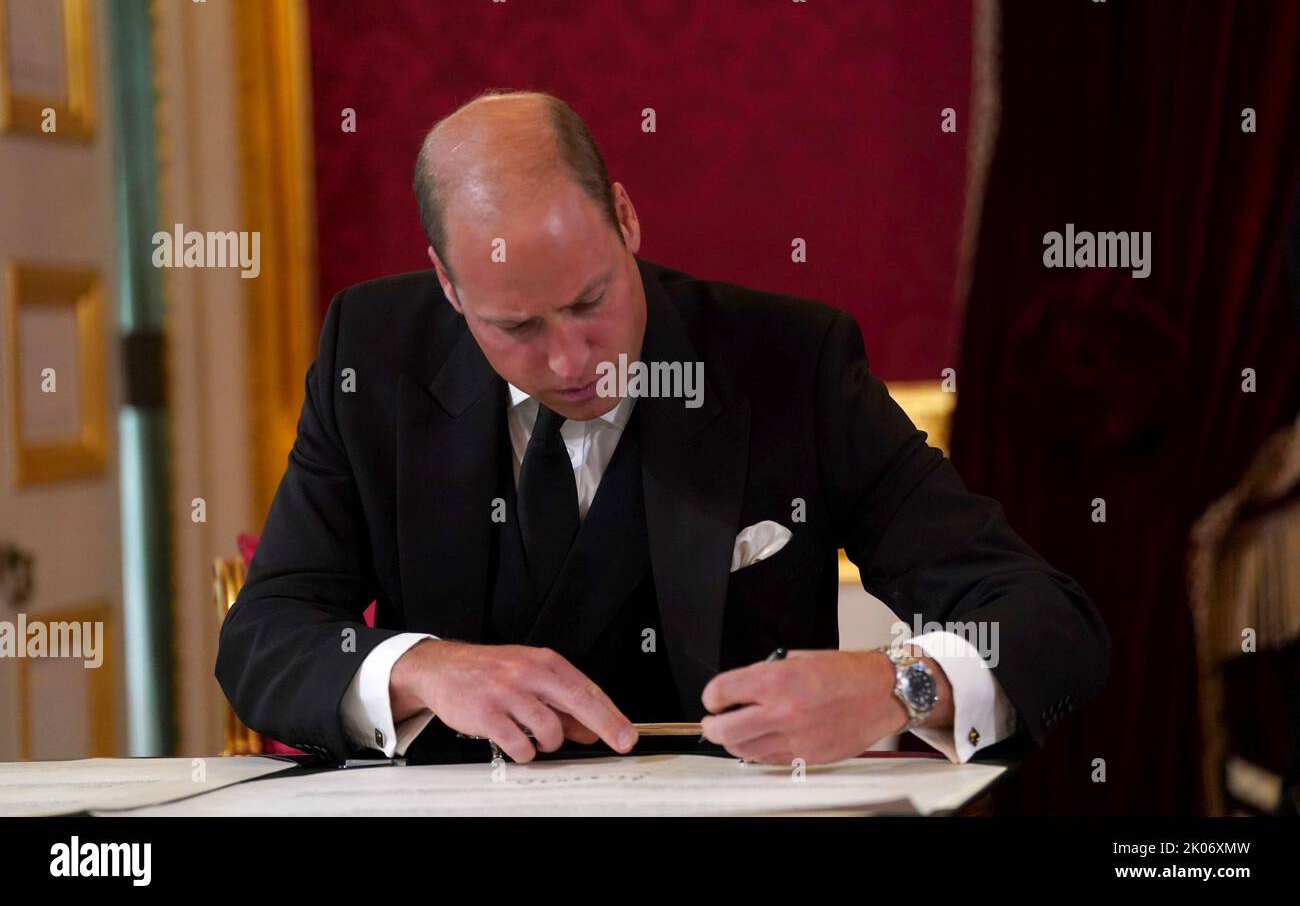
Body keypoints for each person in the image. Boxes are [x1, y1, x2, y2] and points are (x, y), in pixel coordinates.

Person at [216, 89, 1109, 767]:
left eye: (589, 300)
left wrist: (900, 684)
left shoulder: (788, 363)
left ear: (626, 218)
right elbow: (264, 636)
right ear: (449, 288)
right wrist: (423, 667)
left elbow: (1048, 620)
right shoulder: (374, 355)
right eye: (515, 328)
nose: (571, 360)